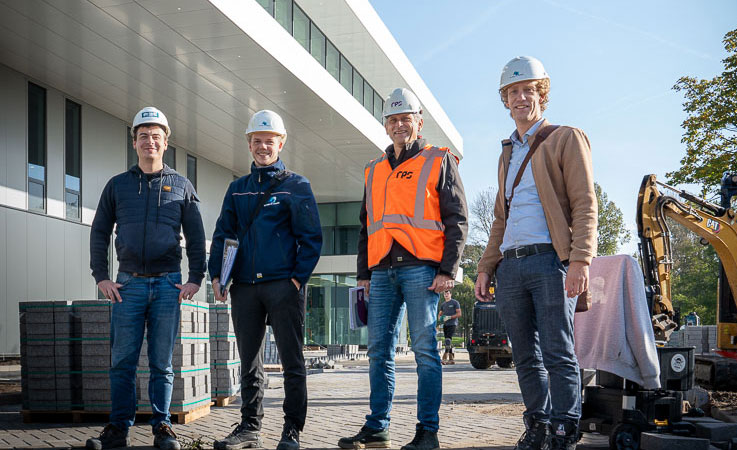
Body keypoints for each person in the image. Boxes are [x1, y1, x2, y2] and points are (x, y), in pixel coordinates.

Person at [474, 56, 598, 450]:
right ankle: (539, 425)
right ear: (505, 100)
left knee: (558, 351)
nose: (521, 97)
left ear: (541, 94)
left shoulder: (566, 138)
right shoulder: (507, 153)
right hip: (510, 267)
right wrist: (485, 267)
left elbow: (585, 203)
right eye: (513, 91)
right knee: (525, 356)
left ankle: (565, 429)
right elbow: (500, 217)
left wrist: (580, 260)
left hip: (550, 262)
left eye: (528, 89)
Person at [337, 88, 468, 450]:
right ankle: (377, 427)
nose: (399, 125)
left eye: (405, 119)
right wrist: (363, 274)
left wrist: (448, 270)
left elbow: (458, 219)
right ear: (385, 125)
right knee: (378, 351)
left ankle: (428, 431)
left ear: (418, 122)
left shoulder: (438, 160)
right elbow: (366, 227)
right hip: (381, 272)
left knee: (425, 351)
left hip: (422, 271)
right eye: (392, 120)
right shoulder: (374, 169)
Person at [87, 107, 207, 450]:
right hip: (128, 286)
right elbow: (99, 232)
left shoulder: (181, 185)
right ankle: (118, 429)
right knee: (122, 362)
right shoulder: (117, 186)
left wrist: (195, 278)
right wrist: (101, 277)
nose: (149, 142)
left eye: (156, 136)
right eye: (143, 136)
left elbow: (196, 237)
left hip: (168, 285)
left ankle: (162, 427)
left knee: (161, 364)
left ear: (166, 142)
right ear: (134, 142)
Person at [208, 110, 322, 450]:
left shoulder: (296, 186)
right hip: (245, 288)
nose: (263, 147)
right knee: (249, 362)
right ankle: (249, 427)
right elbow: (222, 234)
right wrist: (216, 276)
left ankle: (292, 430)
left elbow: (311, 238)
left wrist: (297, 280)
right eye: (257, 141)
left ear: (281, 143)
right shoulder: (237, 189)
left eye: (269, 141)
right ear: (249, 143)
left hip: (283, 286)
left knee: (292, 361)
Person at [437, 290, 461, 365]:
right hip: (445, 324)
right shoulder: (443, 304)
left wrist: (450, 317)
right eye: (445, 294)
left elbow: (459, 314)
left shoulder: (455, 302)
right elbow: (439, 315)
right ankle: (451, 359)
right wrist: (440, 318)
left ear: (451, 294)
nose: (446, 295)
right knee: (448, 341)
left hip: (453, 323)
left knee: (448, 340)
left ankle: (444, 358)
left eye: (448, 293)